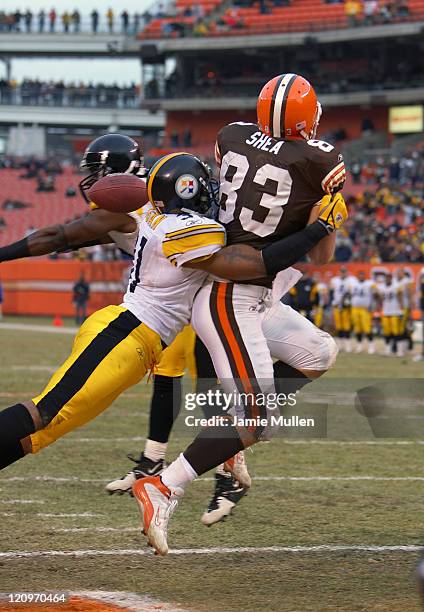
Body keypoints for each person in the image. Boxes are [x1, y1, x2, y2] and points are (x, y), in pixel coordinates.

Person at [0, 152, 347, 476]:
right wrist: (318, 229)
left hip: (139, 341)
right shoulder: (190, 231)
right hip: (126, 333)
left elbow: (62, 235)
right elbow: (257, 264)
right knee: (45, 411)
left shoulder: (151, 212)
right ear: (189, 190)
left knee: (45, 431)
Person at [132, 73, 347, 553]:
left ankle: (228, 433)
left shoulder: (230, 136)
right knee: (258, 418)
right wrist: (327, 211)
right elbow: (320, 256)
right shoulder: (321, 159)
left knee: (318, 352)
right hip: (231, 297)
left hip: (254, 294)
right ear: (306, 118)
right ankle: (164, 485)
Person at [350, 271, 378, 354]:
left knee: (367, 328)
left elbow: (376, 292)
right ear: (357, 276)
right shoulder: (353, 283)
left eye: (362, 275)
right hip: (355, 308)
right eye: (359, 275)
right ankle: (359, 346)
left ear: (364, 276)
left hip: (365, 309)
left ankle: (371, 346)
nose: (361, 277)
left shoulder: (369, 283)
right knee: (357, 328)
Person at [378, 272, 404, 357]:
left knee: (396, 332)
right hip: (386, 312)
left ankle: (400, 351)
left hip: (395, 312)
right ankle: (387, 350)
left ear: (391, 278)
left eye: (389, 277)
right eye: (387, 277)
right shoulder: (382, 287)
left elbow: (400, 298)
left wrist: (401, 310)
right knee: (387, 332)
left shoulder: (396, 286)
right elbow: (381, 298)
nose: (388, 279)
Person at [330, 266, 354, 352]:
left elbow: (351, 293)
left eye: (344, 271)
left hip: (346, 306)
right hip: (336, 305)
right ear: (339, 272)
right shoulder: (334, 280)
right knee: (339, 326)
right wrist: (332, 301)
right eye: (341, 271)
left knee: (346, 326)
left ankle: (348, 345)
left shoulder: (351, 280)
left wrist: (347, 301)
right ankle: (340, 345)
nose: (343, 273)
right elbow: (331, 292)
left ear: (347, 272)